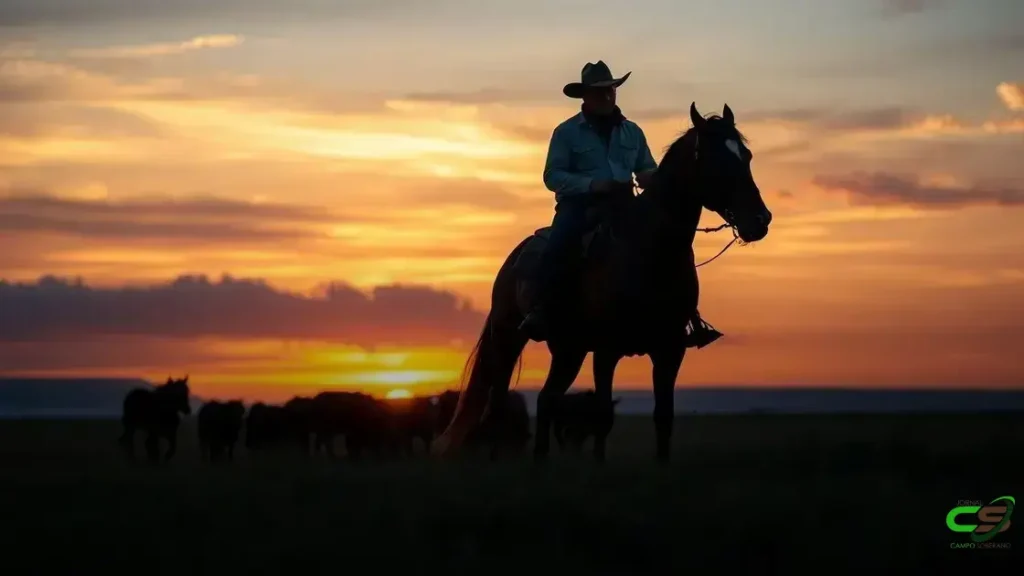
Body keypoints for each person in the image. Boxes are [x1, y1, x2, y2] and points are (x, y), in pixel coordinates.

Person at [518, 60, 723, 349]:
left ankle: (686, 315)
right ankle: (541, 309)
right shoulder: (566, 132)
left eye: (611, 90)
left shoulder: (632, 132)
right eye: (600, 91)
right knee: (559, 243)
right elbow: (553, 176)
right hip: (579, 206)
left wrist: (661, 182)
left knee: (671, 243)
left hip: (625, 203)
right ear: (585, 95)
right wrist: (591, 185)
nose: (607, 96)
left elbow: (646, 169)